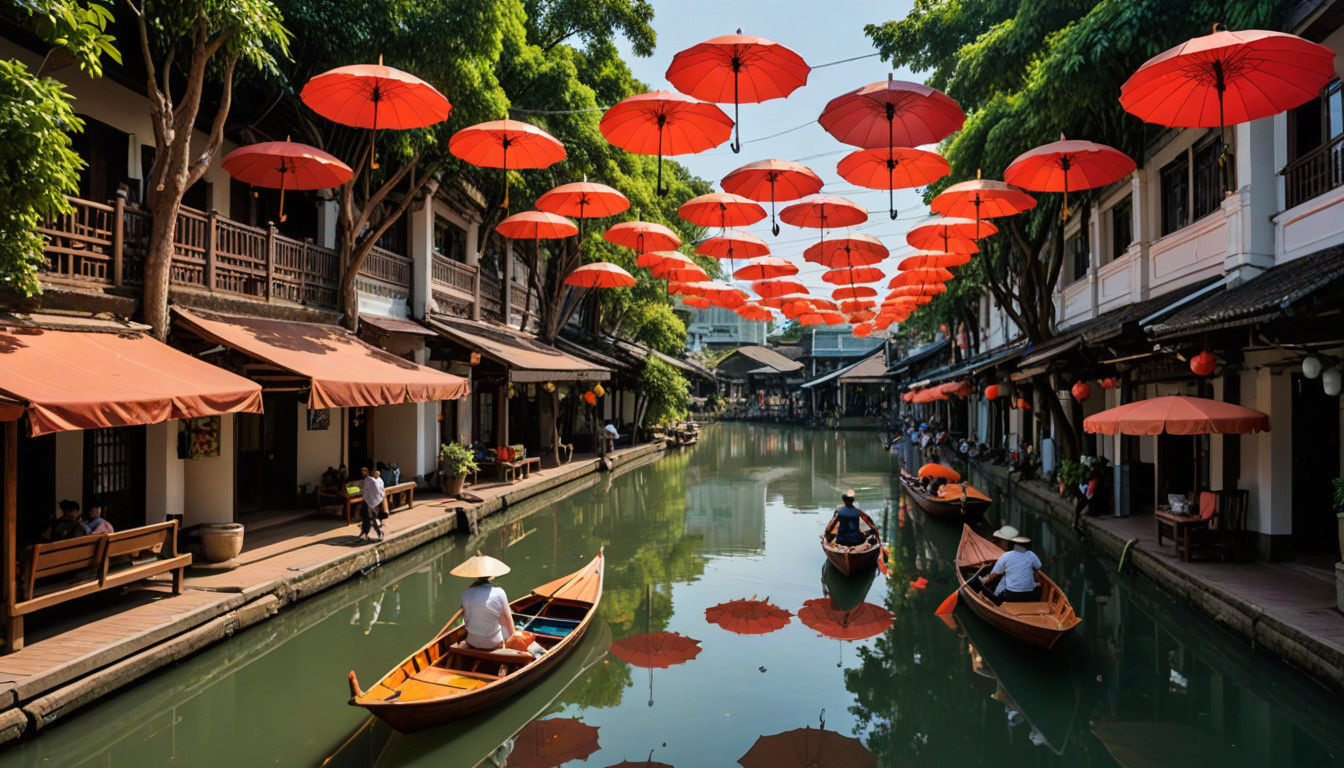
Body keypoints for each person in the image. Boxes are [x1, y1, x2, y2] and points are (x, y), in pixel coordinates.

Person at [451, 554, 545, 656]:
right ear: (491, 575)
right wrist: (512, 641)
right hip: (492, 644)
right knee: (520, 636)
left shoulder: (466, 593)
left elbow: (468, 621)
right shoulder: (498, 592)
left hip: (472, 642)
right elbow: (508, 624)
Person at [982, 533, 1043, 603]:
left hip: (1012, 595)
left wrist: (985, 582)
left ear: (1013, 545)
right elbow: (1038, 567)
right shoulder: (1032, 555)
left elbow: (994, 573)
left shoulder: (1006, 556)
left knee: (1002, 582)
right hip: (1029, 595)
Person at [358, 466, 385, 542]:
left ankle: (377, 534)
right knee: (369, 518)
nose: (363, 472)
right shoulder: (372, 480)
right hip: (373, 502)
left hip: (372, 503)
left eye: (364, 471)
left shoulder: (371, 480)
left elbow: (370, 492)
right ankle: (366, 534)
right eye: (362, 471)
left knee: (372, 519)